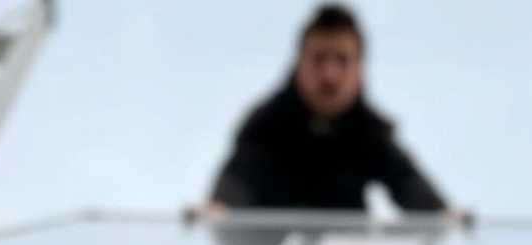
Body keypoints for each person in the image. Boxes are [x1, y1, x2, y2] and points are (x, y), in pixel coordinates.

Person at [198, 5, 473, 221]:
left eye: (342, 61)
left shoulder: (369, 132)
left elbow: (407, 182)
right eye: (319, 60)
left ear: (360, 70)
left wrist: (443, 216)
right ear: (299, 64)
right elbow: (237, 180)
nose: (329, 76)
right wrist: (217, 209)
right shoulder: (266, 125)